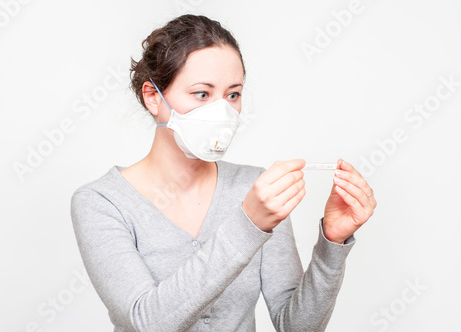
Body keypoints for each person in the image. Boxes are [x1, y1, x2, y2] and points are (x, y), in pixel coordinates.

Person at [70, 14, 377, 332]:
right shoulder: (101, 202)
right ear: (153, 97)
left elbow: (296, 327)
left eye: (233, 95)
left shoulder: (255, 188)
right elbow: (148, 323)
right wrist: (250, 223)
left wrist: (332, 243)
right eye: (202, 94)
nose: (223, 112)